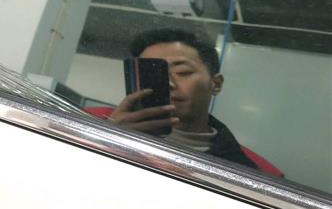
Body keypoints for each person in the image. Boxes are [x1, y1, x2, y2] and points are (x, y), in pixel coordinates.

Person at [88, 28, 283, 175]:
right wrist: (108, 140)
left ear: (215, 84)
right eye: (152, 74)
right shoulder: (91, 123)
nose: (168, 83)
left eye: (183, 72)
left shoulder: (247, 171)